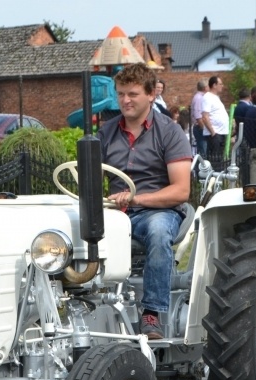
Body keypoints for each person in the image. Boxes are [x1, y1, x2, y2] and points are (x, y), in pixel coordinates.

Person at [98, 62, 192, 339]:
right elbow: (89, 178)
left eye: (133, 94)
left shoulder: (170, 132)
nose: (125, 100)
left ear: (151, 94)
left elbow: (180, 191)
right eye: (121, 94)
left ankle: (151, 314)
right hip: (117, 212)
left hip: (158, 210)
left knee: (158, 231)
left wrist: (135, 198)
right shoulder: (106, 132)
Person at [202, 76, 229, 169]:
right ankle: (213, 178)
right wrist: (213, 132)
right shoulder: (207, 97)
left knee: (219, 158)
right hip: (214, 133)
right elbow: (205, 116)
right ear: (214, 85)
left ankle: (218, 177)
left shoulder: (216, 97)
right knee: (214, 159)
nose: (222, 86)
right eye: (220, 84)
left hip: (221, 132)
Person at [190, 80, 208, 157]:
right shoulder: (199, 98)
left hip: (200, 127)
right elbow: (198, 116)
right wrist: (204, 129)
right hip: (200, 128)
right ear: (205, 88)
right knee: (203, 151)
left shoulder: (201, 97)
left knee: (204, 150)